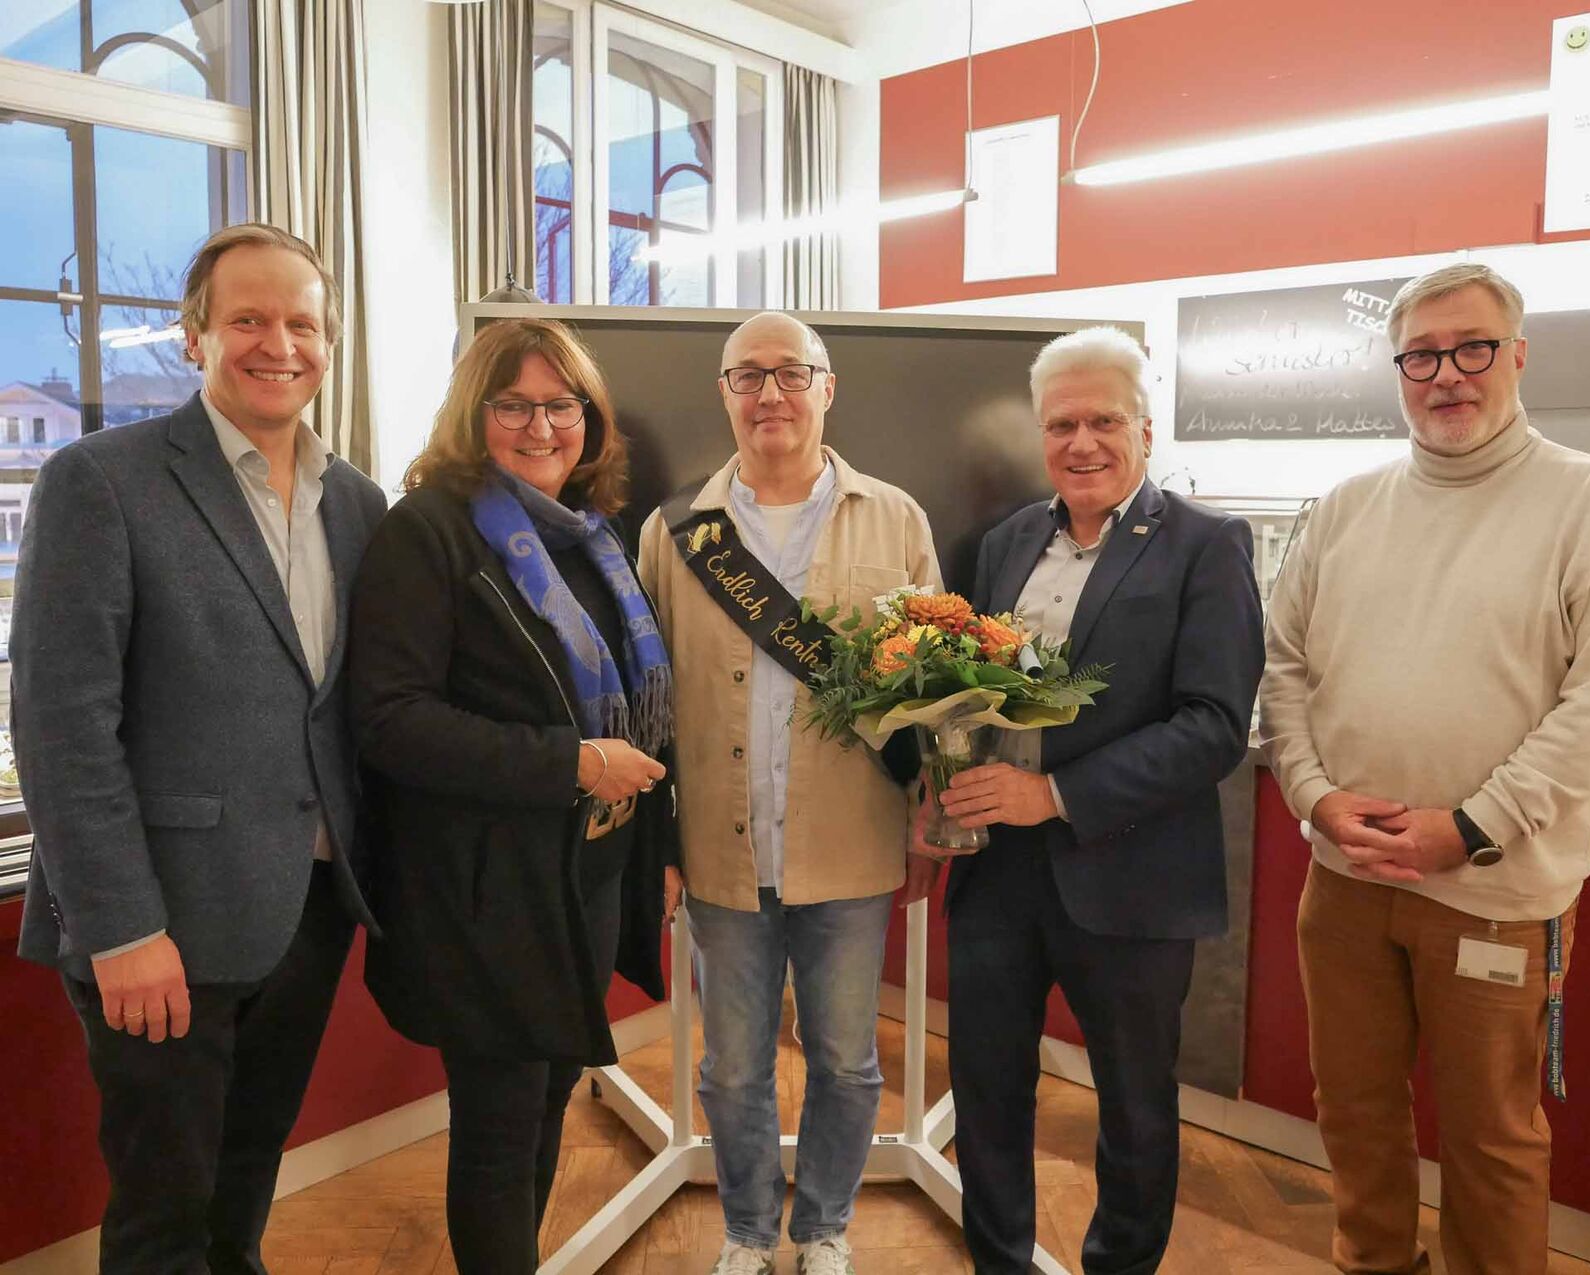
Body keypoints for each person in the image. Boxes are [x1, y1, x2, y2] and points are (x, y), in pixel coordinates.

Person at [1259, 263, 1590, 1275]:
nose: (1446, 374)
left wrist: (1473, 824)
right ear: (1397, 369)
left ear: (1516, 355)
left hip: (1494, 891)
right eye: (1421, 355)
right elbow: (1283, 668)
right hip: (1343, 882)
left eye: (1471, 347)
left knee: (1490, 1138)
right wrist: (1311, 798)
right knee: (1352, 1114)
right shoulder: (1344, 506)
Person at [11, 223, 387, 1273]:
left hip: (305, 911)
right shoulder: (103, 481)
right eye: (248, 320)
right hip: (159, 925)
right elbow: (59, 725)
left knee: (240, 1195)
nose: (279, 343)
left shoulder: (355, 503)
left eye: (301, 322)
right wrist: (121, 926)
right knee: (163, 1219)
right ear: (194, 338)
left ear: (328, 340)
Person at [347, 318, 674, 1273]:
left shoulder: (597, 537)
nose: (542, 425)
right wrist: (570, 763)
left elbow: (641, 701)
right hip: (483, 890)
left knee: (546, 1105)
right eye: (514, 404)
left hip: (583, 875)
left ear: (591, 417)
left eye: (562, 404)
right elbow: (392, 721)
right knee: (499, 1128)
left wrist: (654, 846)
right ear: (473, 412)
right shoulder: (429, 531)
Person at [936, 325, 1264, 1275]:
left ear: (1147, 431)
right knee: (987, 1090)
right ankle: (999, 1258)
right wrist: (944, 784)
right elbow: (970, 687)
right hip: (997, 870)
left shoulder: (1205, 546)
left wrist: (1056, 794)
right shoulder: (1006, 542)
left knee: (1132, 1101)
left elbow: (1213, 726)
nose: (1082, 442)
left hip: (1132, 872)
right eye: (1061, 424)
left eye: (1104, 421)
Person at [636, 312, 942, 1275]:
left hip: (850, 845)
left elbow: (935, 684)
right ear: (723, 394)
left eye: (790, 374)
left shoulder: (895, 517)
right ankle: (746, 1230)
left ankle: (822, 1230)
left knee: (848, 1061)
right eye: (747, 377)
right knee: (732, 1072)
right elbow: (649, 698)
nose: (770, 393)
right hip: (722, 848)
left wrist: (935, 805)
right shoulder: (674, 530)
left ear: (828, 387)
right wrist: (658, 844)